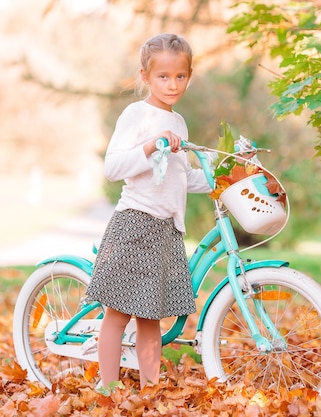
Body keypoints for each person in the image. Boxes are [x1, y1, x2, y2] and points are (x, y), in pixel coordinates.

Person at [86, 33, 212, 389]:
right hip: (136, 223)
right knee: (118, 313)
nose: (172, 85)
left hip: (166, 230)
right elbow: (113, 168)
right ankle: (108, 388)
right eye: (163, 77)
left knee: (150, 316)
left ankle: (150, 389)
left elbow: (183, 178)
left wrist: (226, 178)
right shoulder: (137, 114)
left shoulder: (180, 123)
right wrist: (149, 146)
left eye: (180, 76)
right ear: (145, 76)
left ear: (189, 75)